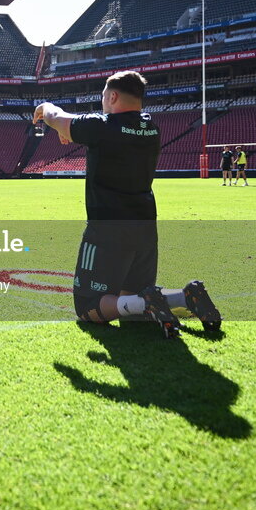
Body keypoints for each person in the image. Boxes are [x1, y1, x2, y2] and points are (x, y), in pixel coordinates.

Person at [34, 70, 222, 339]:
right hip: (145, 225)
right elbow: (93, 131)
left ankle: (149, 302)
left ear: (112, 96)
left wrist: (46, 107)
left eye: (102, 97)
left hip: (107, 227)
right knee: (129, 300)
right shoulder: (150, 127)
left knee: (88, 307)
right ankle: (184, 297)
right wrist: (71, 130)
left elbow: (54, 117)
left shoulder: (101, 125)